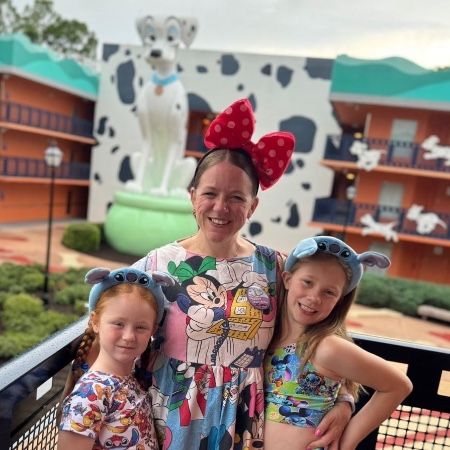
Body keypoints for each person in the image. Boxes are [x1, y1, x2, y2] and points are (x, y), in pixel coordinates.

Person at [131, 98, 355, 450]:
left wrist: (344, 399)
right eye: (210, 194)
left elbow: (322, 333)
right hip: (167, 415)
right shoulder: (157, 265)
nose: (221, 207)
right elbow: (109, 330)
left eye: (236, 197)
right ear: (193, 197)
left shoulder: (276, 267)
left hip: (244, 420)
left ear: (253, 206)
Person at [263, 236, 413, 450]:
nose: (314, 297)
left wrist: (347, 443)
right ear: (287, 279)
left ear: (339, 300)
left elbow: (398, 386)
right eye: (308, 282)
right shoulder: (266, 335)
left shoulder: (327, 347)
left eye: (329, 292)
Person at [58, 266, 175, 450]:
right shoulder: (89, 395)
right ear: (95, 321)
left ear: (153, 330)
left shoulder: (131, 381)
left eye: (140, 327)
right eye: (118, 324)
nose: (129, 336)